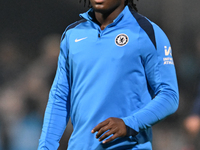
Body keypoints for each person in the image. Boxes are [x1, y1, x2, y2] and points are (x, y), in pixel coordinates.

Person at [38, 0, 179, 149]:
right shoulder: (73, 34)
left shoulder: (147, 32)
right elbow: (59, 98)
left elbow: (169, 95)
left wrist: (129, 124)